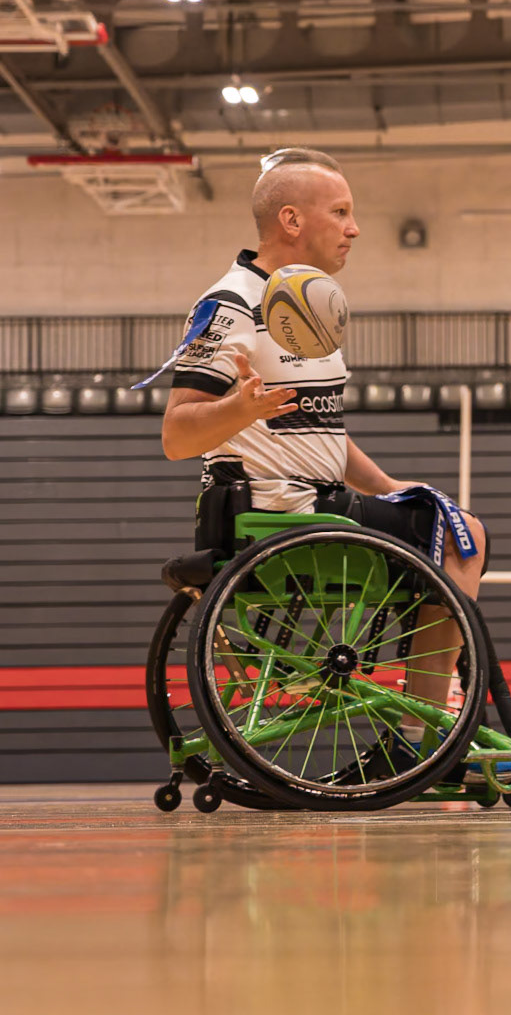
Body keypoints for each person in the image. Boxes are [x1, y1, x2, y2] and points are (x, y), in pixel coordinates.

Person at [160, 146, 486, 770]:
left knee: (436, 514)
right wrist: (241, 410)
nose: (354, 227)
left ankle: (422, 717)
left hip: (314, 504)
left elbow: (320, 431)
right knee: (461, 533)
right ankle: (428, 728)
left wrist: (388, 484)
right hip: (274, 515)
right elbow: (177, 434)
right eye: (340, 212)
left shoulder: (308, 301)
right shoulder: (231, 305)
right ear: (291, 220)